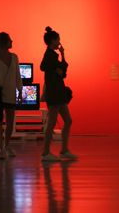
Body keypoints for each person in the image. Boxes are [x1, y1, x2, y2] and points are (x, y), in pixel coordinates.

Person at [40, 26, 77, 161]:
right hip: (55, 93)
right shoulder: (49, 56)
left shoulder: (52, 55)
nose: (60, 42)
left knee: (67, 120)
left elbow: (62, 71)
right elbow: (55, 69)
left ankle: (64, 150)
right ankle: (45, 153)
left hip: (58, 93)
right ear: (53, 40)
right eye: (58, 39)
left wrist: (62, 55)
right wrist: (59, 66)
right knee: (52, 122)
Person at [0, 32, 23, 159]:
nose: (12, 41)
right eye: (9, 40)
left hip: (10, 92)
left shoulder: (14, 57)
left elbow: (17, 75)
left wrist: (20, 90)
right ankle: (0, 148)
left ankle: (7, 145)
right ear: (4, 42)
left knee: (10, 121)